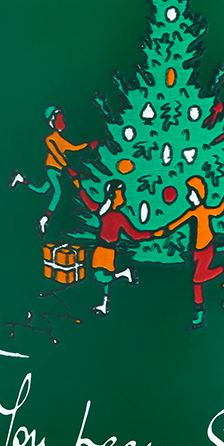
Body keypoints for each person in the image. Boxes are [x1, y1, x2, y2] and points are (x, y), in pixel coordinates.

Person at [158, 174, 224, 330]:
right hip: (196, 251)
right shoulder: (191, 213)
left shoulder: (204, 212)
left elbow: (219, 210)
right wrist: (162, 231)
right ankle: (199, 313)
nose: (189, 196)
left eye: (191, 193)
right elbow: (176, 224)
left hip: (206, 248)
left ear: (199, 194)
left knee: (198, 278)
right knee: (197, 284)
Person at [9, 106, 98, 237]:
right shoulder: (49, 139)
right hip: (52, 168)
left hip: (59, 170)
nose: (61, 122)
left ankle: (21, 179)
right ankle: (45, 218)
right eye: (58, 119)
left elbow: (74, 148)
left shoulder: (60, 139)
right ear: (52, 122)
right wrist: (68, 168)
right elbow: (57, 155)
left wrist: (89, 145)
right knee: (58, 192)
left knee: (42, 190)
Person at [75, 179, 154, 316]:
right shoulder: (104, 211)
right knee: (103, 278)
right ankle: (104, 305)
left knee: (100, 276)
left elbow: (134, 235)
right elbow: (89, 203)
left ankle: (124, 274)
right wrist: (78, 184)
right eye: (120, 194)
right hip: (102, 248)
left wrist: (151, 234)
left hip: (106, 250)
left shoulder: (118, 216)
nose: (123, 198)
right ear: (112, 196)